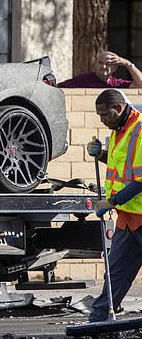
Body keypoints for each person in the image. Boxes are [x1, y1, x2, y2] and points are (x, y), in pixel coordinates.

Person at [86, 89, 142, 322]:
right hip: (129, 218)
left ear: (118, 108)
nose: (102, 119)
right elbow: (124, 165)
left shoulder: (139, 130)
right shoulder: (122, 129)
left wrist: (111, 201)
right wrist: (102, 155)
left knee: (117, 270)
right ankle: (98, 319)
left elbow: (140, 179)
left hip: (136, 212)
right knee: (117, 272)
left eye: (104, 114)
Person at [59, 51, 142, 88]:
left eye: (108, 64)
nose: (104, 66)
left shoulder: (117, 84)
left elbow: (140, 84)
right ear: (95, 65)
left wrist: (127, 64)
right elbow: (58, 87)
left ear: (115, 68)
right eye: (100, 63)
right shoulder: (83, 80)